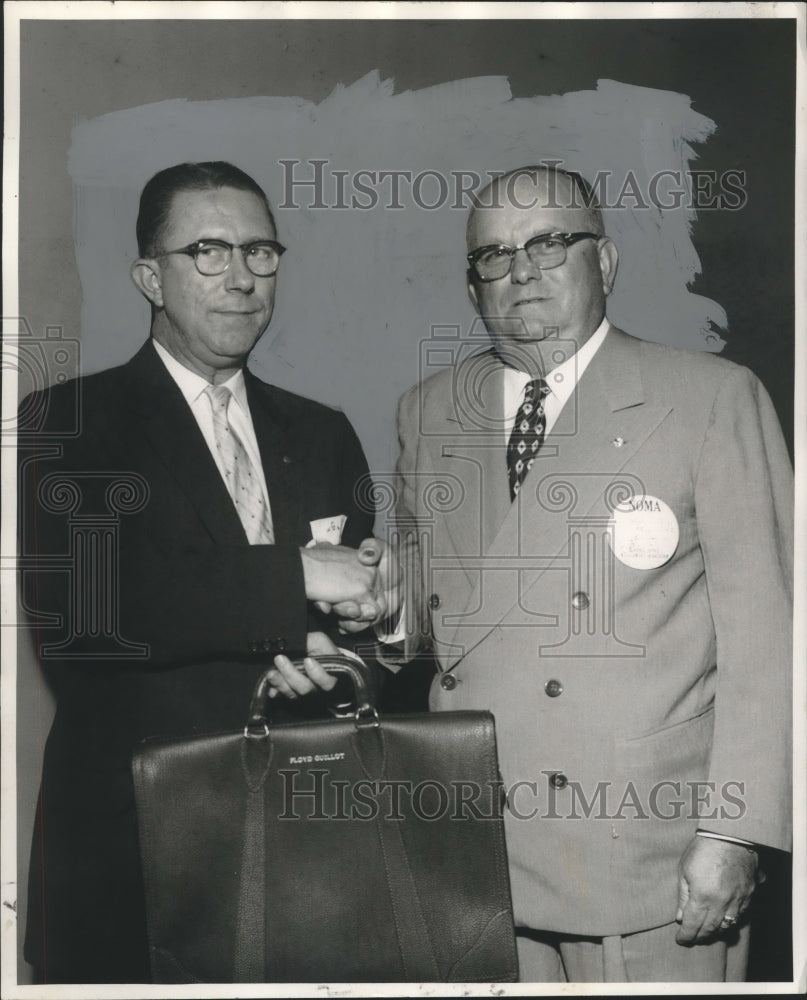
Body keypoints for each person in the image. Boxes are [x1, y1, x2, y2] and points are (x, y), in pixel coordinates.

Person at [278, 164, 793, 982]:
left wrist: (734, 833)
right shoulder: (429, 408)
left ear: (606, 262)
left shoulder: (708, 398)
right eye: (492, 255)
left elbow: (772, 641)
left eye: (549, 243)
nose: (520, 271)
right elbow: (431, 610)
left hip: (645, 849)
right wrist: (382, 605)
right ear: (472, 283)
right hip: (477, 843)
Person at [18, 161, 396, 984]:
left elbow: (354, 615)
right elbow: (91, 612)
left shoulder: (322, 431)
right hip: (133, 851)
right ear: (149, 277)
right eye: (209, 252)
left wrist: (356, 641)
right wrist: (294, 577)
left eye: (260, 252)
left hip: (306, 842)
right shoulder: (71, 421)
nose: (241, 278)